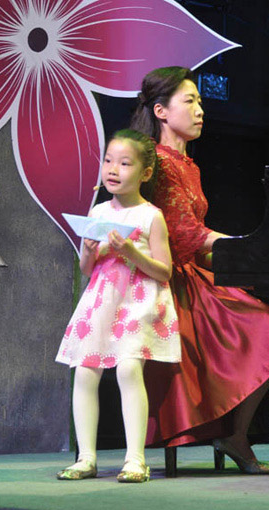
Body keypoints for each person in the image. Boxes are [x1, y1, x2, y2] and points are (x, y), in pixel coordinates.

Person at [131, 66, 269, 477]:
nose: (200, 110)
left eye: (200, 101)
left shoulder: (188, 165)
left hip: (194, 278)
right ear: (161, 111)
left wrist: (247, 261)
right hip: (170, 286)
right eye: (190, 101)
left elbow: (195, 240)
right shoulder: (157, 162)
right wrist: (251, 247)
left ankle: (246, 435)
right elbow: (184, 233)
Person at [55, 129, 180, 483]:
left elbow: (165, 270)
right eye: (109, 161)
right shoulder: (98, 211)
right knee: (85, 370)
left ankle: (135, 459)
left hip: (137, 302)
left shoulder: (150, 216)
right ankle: (86, 458)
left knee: (127, 369)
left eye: (125, 163)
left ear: (145, 173)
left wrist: (131, 253)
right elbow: (87, 268)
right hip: (102, 301)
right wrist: (89, 251)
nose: (113, 169)